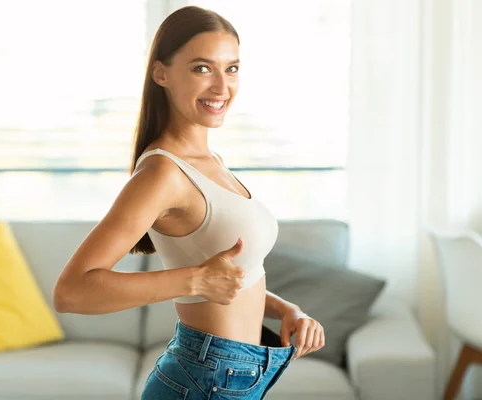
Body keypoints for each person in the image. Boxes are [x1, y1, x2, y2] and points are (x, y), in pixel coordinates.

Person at [53, 5, 325, 399]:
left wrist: (285, 311)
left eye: (231, 68)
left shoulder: (211, 163)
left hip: (239, 371)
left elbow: (230, 278)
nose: (221, 87)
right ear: (161, 73)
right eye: (202, 68)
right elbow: (71, 292)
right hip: (208, 380)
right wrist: (195, 279)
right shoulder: (162, 174)